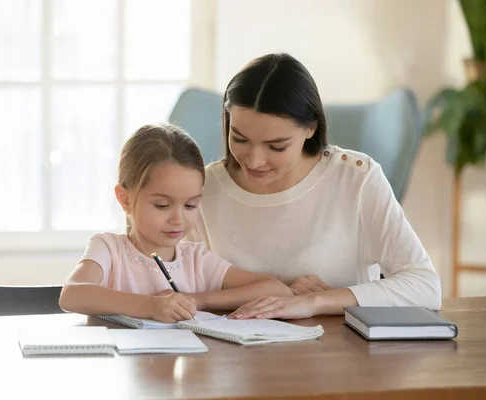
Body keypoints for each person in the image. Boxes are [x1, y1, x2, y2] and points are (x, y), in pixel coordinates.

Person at [183, 53, 442, 320]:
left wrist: (317, 302)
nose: (254, 160)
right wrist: (282, 294)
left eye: (276, 146)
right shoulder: (202, 190)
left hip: (339, 354)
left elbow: (425, 286)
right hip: (227, 353)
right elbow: (171, 283)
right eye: (239, 139)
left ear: (310, 128)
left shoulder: (357, 179)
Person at [59, 123, 292, 323]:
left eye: (190, 206)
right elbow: (72, 295)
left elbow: (277, 289)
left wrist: (197, 299)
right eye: (162, 205)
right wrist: (150, 306)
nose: (178, 219)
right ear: (125, 199)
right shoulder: (108, 249)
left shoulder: (195, 259)